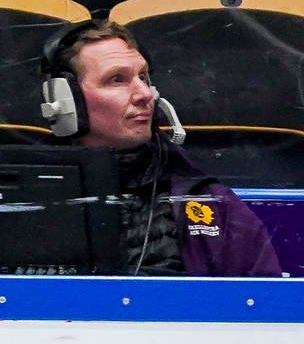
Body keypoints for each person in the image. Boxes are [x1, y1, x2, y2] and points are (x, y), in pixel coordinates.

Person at [34, 20, 280, 276]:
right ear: (66, 101)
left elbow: (262, 298)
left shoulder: (214, 204)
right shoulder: (22, 203)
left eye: (143, 77)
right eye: (117, 80)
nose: (145, 94)